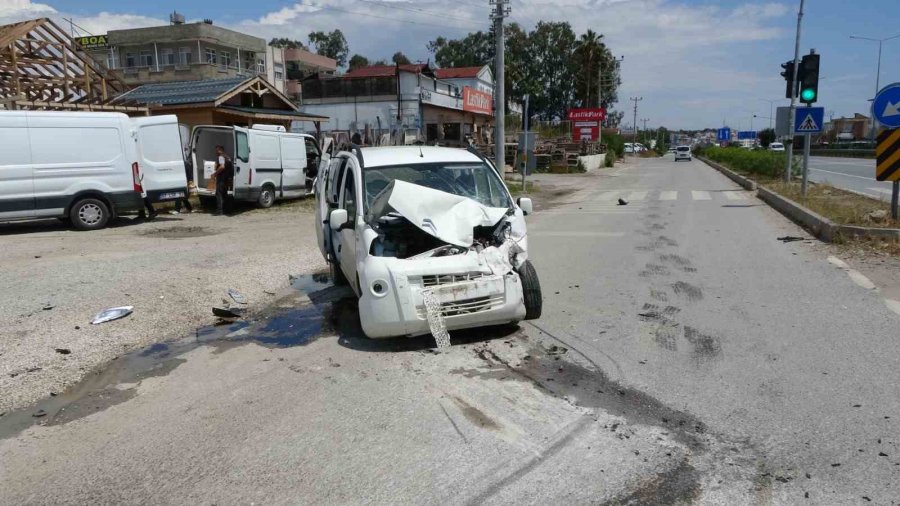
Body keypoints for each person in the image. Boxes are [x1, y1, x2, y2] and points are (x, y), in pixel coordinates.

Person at [171, 148, 194, 214]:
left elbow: (189, 173)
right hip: (181, 180)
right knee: (183, 196)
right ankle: (189, 208)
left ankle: (177, 210)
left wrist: (190, 181)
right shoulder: (182, 164)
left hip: (184, 181)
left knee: (179, 195)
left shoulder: (185, 164)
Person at [212, 145, 233, 216]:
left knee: (219, 194)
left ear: (221, 150)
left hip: (221, 178)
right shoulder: (228, 157)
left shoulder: (221, 157)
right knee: (224, 194)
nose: (216, 152)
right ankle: (227, 210)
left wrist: (215, 173)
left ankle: (219, 210)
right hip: (227, 179)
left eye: (217, 150)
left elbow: (222, 166)